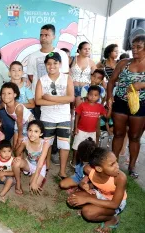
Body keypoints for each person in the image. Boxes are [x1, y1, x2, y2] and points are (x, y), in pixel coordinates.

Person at [107, 35, 145, 179]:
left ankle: (132, 166)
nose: (134, 50)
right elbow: (111, 81)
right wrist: (109, 98)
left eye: (139, 47)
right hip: (121, 103)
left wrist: (141, 84)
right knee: (118, 134)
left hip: (140, 105)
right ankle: (113, 163)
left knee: (135, 137)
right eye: (133, 46)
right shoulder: (124, 63)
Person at [67, 147, 127, 233]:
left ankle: (112, 218)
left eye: (116, 161)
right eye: (112, 164)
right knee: (72, 199)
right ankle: (96, 208)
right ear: (99, 169)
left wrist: (87, 199)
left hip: (115, 202)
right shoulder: (88, 169)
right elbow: (82, 182)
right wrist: (84, 185)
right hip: (100, 194)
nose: (117, 166)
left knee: (88, 212)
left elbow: (114, 204)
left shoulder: (120, 178)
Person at [35, 52, 74, 178]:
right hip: (47, 117)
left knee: (65, 145)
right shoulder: (41, 81)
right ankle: (45, 167)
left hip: (64, 117)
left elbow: (71, 98)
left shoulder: (67, 78)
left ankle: (62, 171)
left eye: (55, 63)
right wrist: (60, 99)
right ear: (45, 65)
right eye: (49, 63)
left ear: (60, 64)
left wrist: (50, 98)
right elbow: (38, 101)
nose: (52, 66)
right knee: (46, 143)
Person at [0, 82, 35, 149]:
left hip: (28, 123)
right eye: (3, 93)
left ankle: (21, 156)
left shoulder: (18, 107)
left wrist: (20, 136)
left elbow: (20, 124)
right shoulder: (4, 104)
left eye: (9, 93)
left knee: (20, 144)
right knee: (15, 145)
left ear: (15, 95)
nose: (6, 96)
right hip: (18, 122)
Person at [72, 86, 111, 166]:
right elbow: (77, 116)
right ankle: (74, 161)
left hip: (92, 132)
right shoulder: (82, 105)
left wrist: (110, 108)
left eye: (96, 95)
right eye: (91, 94)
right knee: (77, 146)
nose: (93, 97)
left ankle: (88, 162)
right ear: (87, 95)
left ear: (99, 96)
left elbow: (107, 116)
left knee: (91, 148)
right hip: (81, 130)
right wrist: (75, 128)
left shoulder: (100, 107)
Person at [27, 24, 69, 99]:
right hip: (38, 97)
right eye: (41, 35)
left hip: (58, 97)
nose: (43, 37)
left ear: (53, 37)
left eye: (47, 35)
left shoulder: (62, 54)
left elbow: (65, 74)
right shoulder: (32, 56)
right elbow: (31, 76)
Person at [14, 120, 50, 195]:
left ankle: (41, 178)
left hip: (39, 167)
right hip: (29, 164)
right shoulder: (26, 140)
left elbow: (40, 163)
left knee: (32, 186)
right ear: (27, 131)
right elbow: (17, 152)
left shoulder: (45, 143)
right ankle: (18, 184)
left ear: (41, 134)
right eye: (30, 130)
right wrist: (19, 156)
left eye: (36, 131)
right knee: (16, 162)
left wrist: (34, 182)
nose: (32, 134)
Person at [70, 41, 97, 107]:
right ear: (79, 50)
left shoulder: (91, 62)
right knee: (69, 110)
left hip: (85, 89)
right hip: (71, 87)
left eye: (89, 49)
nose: (87, 51)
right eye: (85, 49)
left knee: (79, 111)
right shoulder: (71, 59)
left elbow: (96, 76)